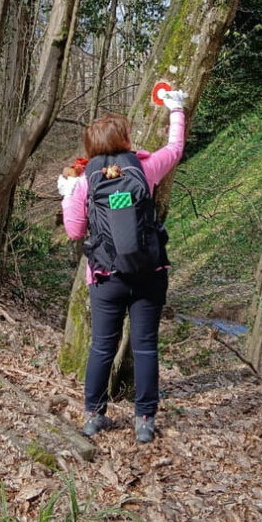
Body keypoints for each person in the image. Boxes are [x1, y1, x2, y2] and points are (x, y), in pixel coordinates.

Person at [58, 90, 186, 443]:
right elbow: (175, 149)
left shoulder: (83, 181)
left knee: (102, 347)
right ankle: (144, 421)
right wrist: (176, 108)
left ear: (91, 148)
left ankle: (93, 416)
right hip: (149, 273)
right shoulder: (144, 168)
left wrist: (68, 194)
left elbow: (75, 231)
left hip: (105, 277)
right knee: (145, 347)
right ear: (125, 140)